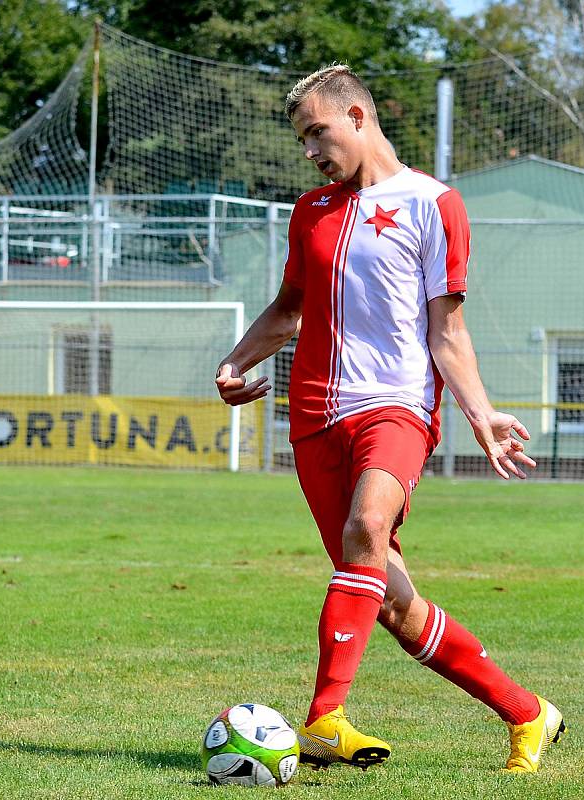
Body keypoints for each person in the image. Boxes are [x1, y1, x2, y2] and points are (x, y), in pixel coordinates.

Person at [215, 64, 565, 774]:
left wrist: (482, 411)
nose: (311, 151)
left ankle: (322, 720)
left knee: (367, 526)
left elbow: (448, 333)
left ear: (357, 118)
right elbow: (289, 310)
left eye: (317, 132)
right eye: (302, 139)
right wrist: (236, 361)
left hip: (397, 407)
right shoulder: (310, 210)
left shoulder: (434, 204)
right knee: (392, 603)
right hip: (313, 420)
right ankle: (528, 712)